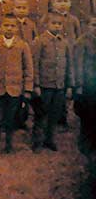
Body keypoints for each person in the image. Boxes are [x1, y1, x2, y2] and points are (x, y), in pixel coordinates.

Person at [0, 14, 33, 154]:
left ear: (17, 28)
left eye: (12, 26)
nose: (9, 28)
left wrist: (27, 89)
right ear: (1, 27)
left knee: (11, 118)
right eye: (6, 25)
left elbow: (28, 68)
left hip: (15, 88)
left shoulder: (22, 45)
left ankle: (9, 144)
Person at [31, 11, 74, 152]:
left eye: (59, 24)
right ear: (46, 24)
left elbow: (69, 65)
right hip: (44, 85)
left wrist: (69, 85)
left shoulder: (64, 42)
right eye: (53, 23)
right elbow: (35, 64)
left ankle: (50, 139)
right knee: (41, 113)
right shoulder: (39, 41)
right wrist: (36, 84)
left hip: (59, 85)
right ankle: (37, 141)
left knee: (54, 114)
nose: (56, 26)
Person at [75, 15, 96, 156]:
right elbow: (78, 65)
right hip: (87, 86)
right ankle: (85, 145)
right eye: (94, 25)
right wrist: (79, 85)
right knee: (87, 116)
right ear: (88, 26)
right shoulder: (82, 42)